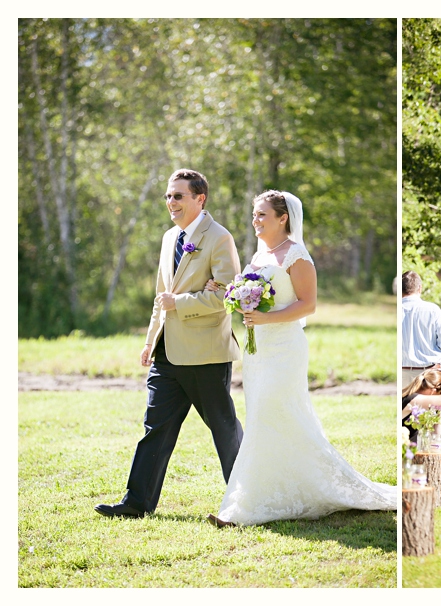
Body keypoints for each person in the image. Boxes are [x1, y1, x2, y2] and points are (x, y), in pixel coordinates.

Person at [205, 190, 396, 527]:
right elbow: (250, 297)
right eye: (255, 214)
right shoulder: (260, 255)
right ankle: (274, 491)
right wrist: (229, 296)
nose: (256, 220)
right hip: (258, 350)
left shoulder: (297, 255)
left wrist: (265, 318)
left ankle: (243, 508)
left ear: (284, 218)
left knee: (273, 412)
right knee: (265, 416)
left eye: (263, 214)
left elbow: (308, 305)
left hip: (285, 349)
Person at [95, 169, 244, 518]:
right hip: (167, 353)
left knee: (223, 429)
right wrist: (151, 342)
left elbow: (227, 297)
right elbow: (161, 298)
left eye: (178, 196)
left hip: (206, 354)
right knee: (155, 428)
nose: (170, 202)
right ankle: (136, 503)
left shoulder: (219, 238)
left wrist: (184, 303)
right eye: (167, 196)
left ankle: (245, 501)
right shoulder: (168, 238)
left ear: (199, 199)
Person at [401, 271, 441, 388]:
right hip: (430, 374)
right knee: (431, 406)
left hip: (402, 373)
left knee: (404, 406)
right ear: (419, 288)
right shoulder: (432, 310)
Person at [402, 367, 441, 444]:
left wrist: (440, 407)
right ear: (433, 391)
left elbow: (438, 437)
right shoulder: (412, 400)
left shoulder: (418, 400)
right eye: (440, 393)